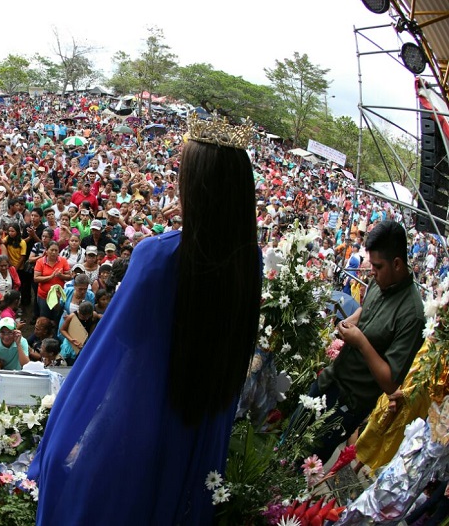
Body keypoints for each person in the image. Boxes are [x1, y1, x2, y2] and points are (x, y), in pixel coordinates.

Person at [29, 113, 262, 524]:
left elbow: (122, 339)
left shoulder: (159, 255)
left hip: (142, 409)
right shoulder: (249, 260)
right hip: (200, 417)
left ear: (197, 186)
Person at [292, 220, 426, 465]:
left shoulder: (413, 314)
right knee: (291, 437)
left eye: (377, 266)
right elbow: (367, 309)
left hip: (348, 402)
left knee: (304, 462)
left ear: (397, 264)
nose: (371, 271)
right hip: (330, 379)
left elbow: (389, 381)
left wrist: (361, 342)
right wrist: (350, 322)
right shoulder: (379, 280)